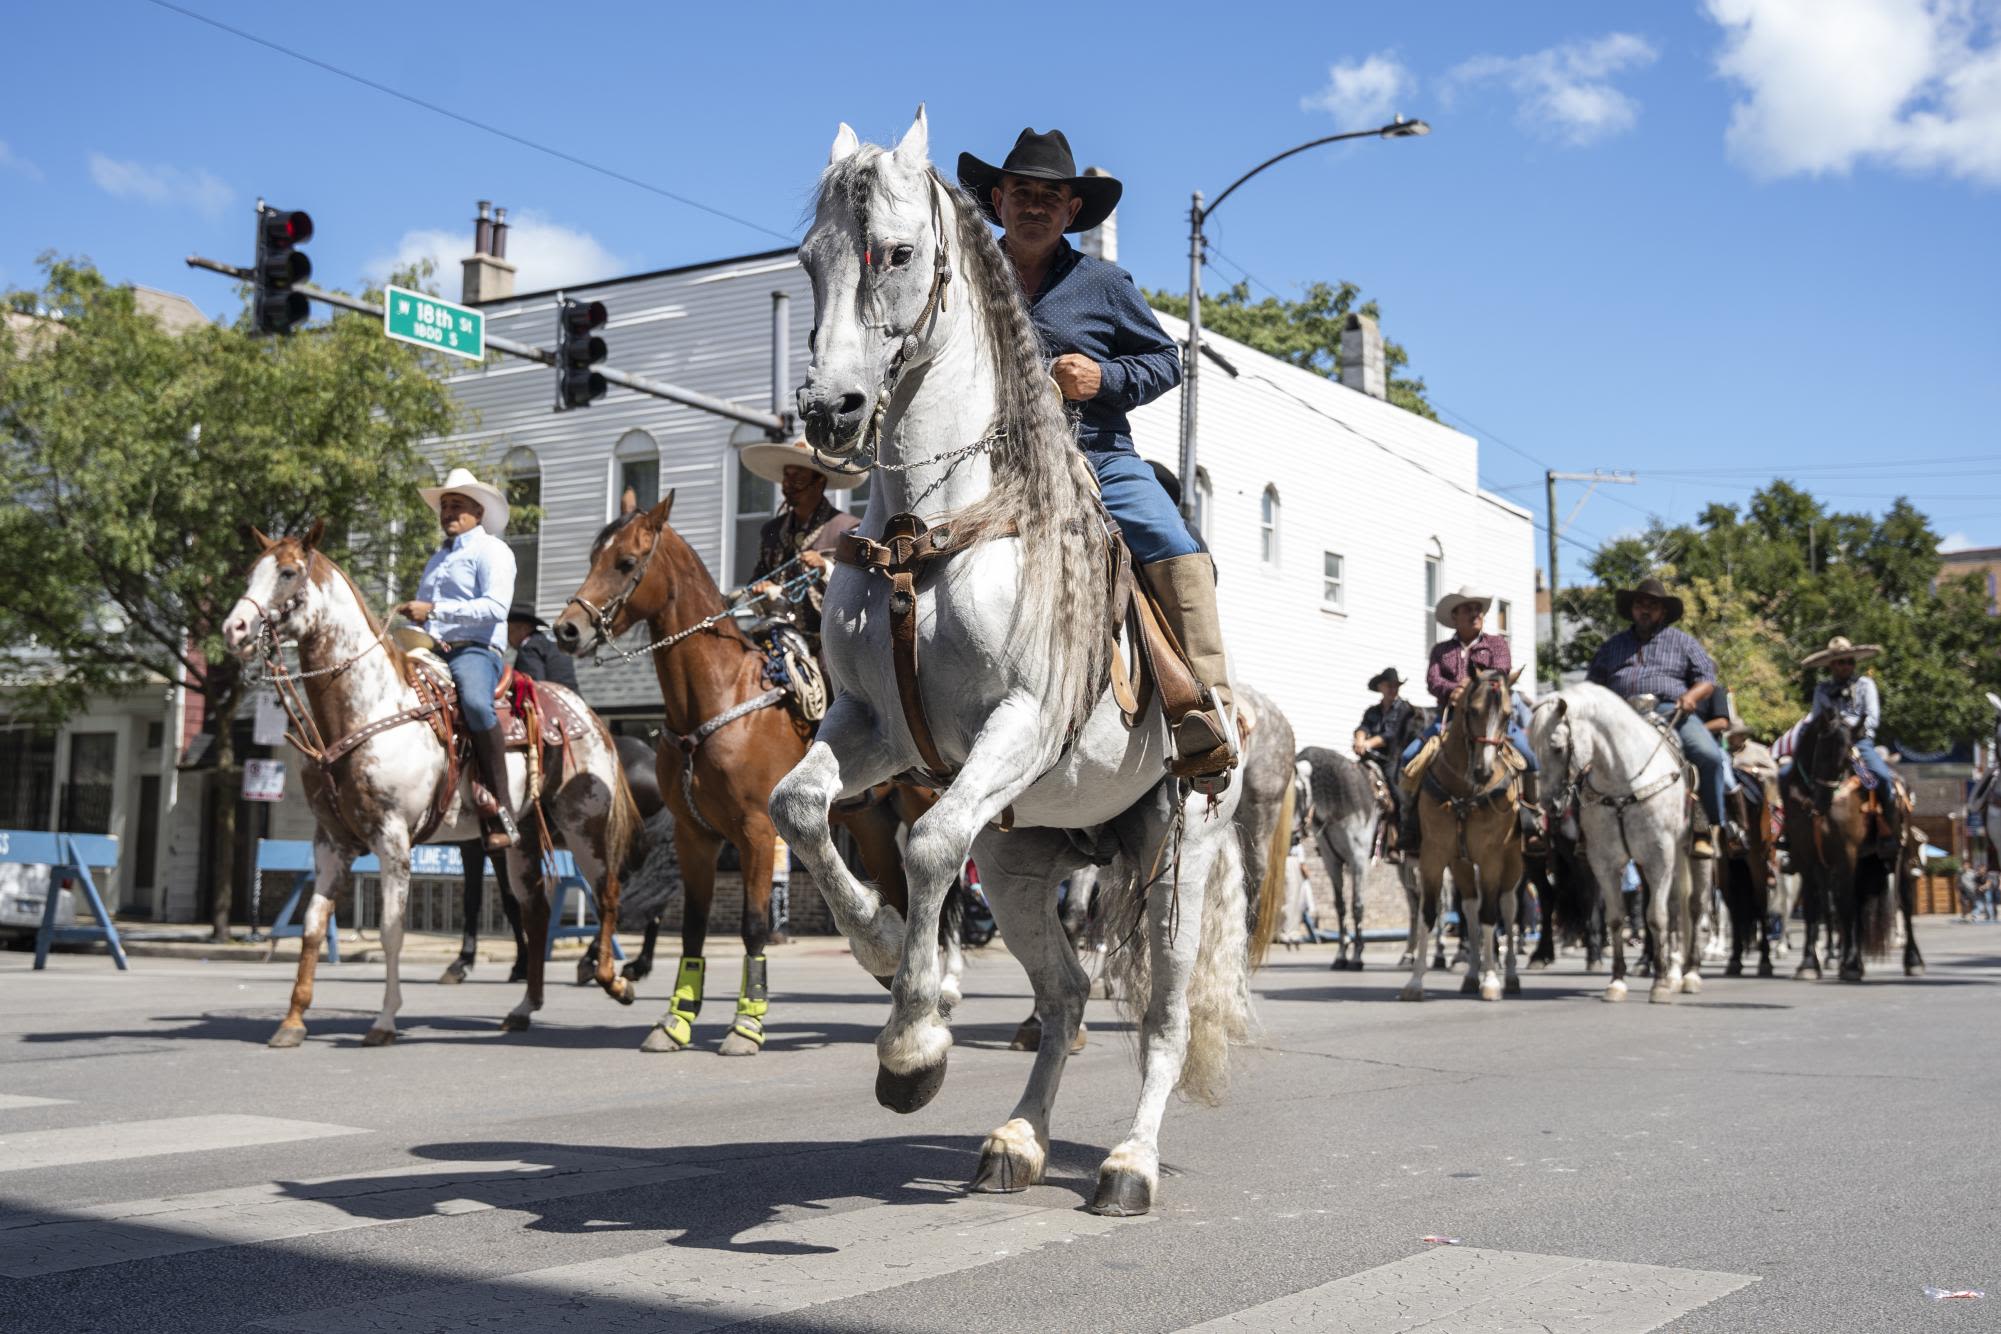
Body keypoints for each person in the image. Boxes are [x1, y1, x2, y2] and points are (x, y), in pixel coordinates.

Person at [958, 127, 1234, 786]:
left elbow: (1166, 361)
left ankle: (1208, 706)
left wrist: (1103, 381)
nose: (1033, 206)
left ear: (1071, 211)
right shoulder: (962, 278)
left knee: (1171, 542)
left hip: (1096, 452)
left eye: (1048, 197)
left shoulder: (1104, 283)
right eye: (1021, 192)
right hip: (985, 461)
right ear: (996, 199)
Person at [441, 601, 573, 986]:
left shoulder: (531, 649)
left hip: (549, 725)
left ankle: (512, 809)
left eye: (512, 628)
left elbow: (525, 695)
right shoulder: (551, 647)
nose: (511, 636)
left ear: (519, 627)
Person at [393, 466, 517, 851]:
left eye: (457, 505)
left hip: (474, 650)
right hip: (429, 651)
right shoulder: (437, 559)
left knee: (478, 705)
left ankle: (503, 808)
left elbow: (496, 608)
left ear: (478, 512)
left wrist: (434, 610)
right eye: (445, 505)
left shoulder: (493, 550)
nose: (448, 512)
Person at [1586, 576, 1731, 858]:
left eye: (1652, 605)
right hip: (1621, 715)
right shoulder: (1611, 646)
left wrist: (1691, 697)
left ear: (1663, 612)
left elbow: (1707, 677)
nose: (1645, 610)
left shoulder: (1683, 642)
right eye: (1641, 604)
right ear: (1632, 610)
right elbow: (1594, 683)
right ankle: (1583, 832)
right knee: (1579, 762)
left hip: (1669, 710)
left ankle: (1709, 828)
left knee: (1709, 756)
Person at [1398, 587, 1539, 849]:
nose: (1475, 613)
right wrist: (1454, 691)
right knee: (1408, 757)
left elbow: (1500, 672)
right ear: (1455, 617)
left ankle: (1531, 818)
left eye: (1478, 609)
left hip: (1490, 720)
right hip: (1449, 720)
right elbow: (1433, 680)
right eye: (1468, 609)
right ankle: (1411, 823)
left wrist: (1469, 690)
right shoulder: (1441, 650)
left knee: (1528, 756)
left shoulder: (1496, 644)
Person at [737, 437, 865, 647]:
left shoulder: (848, 528)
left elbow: (859, 590)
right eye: (787, 476)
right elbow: (756, 579)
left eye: (798, 477)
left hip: (829, 643)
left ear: (819, 482)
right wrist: (761, 588)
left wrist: (825, 567)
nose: (788, 485)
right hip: (778, 637)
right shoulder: (772, 531)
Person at [1801, 634, 1900, 859]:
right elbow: (1816, 718)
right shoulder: (1822, 690)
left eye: (1849, 661)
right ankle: (1794, 834)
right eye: (1840, 662)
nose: (1846, 666)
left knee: (1879, 777)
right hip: (1828, 744)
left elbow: (1873, 718)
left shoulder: (1866, 684)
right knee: (1794, 775)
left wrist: (1848, 729)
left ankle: (1890, 833)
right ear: (1831, 665)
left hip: (1858, 744)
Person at [1352, 667, 1415, 858]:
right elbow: (1363, 727)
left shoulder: (1404, 709)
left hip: (1394, 758)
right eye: (1389, 685)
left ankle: (1400, 838)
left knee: (1397, 793)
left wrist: (1369, 742)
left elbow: (1391, 734)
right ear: (1381, 687)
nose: (1393, 689)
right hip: (1370, 757)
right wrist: (1359, 739)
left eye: (1395, 686)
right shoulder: (1373, 711)